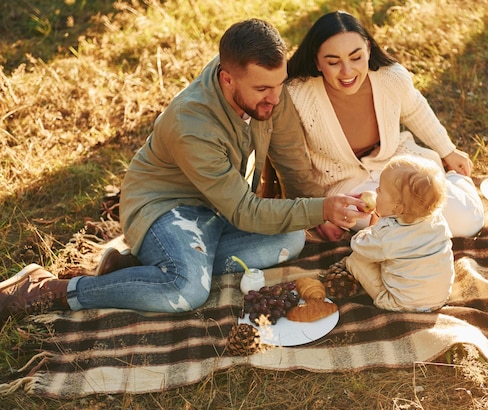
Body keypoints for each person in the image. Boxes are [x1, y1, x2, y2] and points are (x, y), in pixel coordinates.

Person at [0, 19, 368, 319]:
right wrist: (320, 208)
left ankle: (146, 266)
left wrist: (319, 211)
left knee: (291, 237)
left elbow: (292, 162)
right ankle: (52, 289)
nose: (275, 97)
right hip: (165, 208)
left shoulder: (269, 91)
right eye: (262, 89)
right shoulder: (191, 124)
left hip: (215, 209)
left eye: (279, 85)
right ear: (227, 78)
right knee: (187, 290)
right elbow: (244, 210)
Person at [286, 11, 484, 242]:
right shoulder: (297, 94)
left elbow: (415, 109)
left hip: (398, 165)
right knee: (391, 234)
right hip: (346, 188)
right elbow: (292, 161)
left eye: (356, 57)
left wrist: (448, 151)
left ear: (368, 50)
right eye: (333, 62)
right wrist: (319, 213)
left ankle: (453, 182)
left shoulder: (391, 77)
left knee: (467, 222)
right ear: (317, 61)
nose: (347, 71)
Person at [345, 155, 454, 312]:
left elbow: (359, 246)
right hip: (439, 298)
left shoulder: (387, 234)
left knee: (355, 260)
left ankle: (385, 295)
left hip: (402, 304)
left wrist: (372, 225)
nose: (376, 191)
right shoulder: (437, 221)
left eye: (381, 190)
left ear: (398, 208)